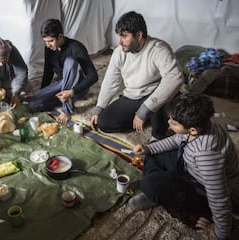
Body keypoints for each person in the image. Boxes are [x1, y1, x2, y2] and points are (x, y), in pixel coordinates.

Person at [128, 93, 239, 240]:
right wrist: (148, 149)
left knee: (150, 185)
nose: (168, 123)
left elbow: (219, 197)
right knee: (153, 149)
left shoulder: (207, 156)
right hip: (190, 166)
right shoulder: (203, 124)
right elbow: (176, 139)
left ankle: (159, 196)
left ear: (193, 130)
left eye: (174, 123)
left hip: (200, 189)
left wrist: (220, 233)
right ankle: (159, 187)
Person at [90, 11, 184, 139]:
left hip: (153, 93)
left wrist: (145, 109)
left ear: (139, 35)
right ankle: (147, 118)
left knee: (160, 109)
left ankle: (157, 128)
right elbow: (111, 80)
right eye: (119, 36)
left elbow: (175, 78)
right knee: (104, 123)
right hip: (132, 96)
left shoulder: (159, 49)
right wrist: (100, 107)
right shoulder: (119, 52)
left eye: (124, 36)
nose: (120, 41)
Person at [28, 19, 98, 123]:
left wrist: (72, 92)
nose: (48, 45)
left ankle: (66, 109)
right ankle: (62, 97)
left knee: (70, 62)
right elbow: (48, 71)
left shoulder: (76, 48)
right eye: (46, 42)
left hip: (76, 86)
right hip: (60, 83)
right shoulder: (49, 48)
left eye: (51, 41)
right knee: (33, 104)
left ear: (60, 36)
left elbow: (93, 76)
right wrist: (43, 92)